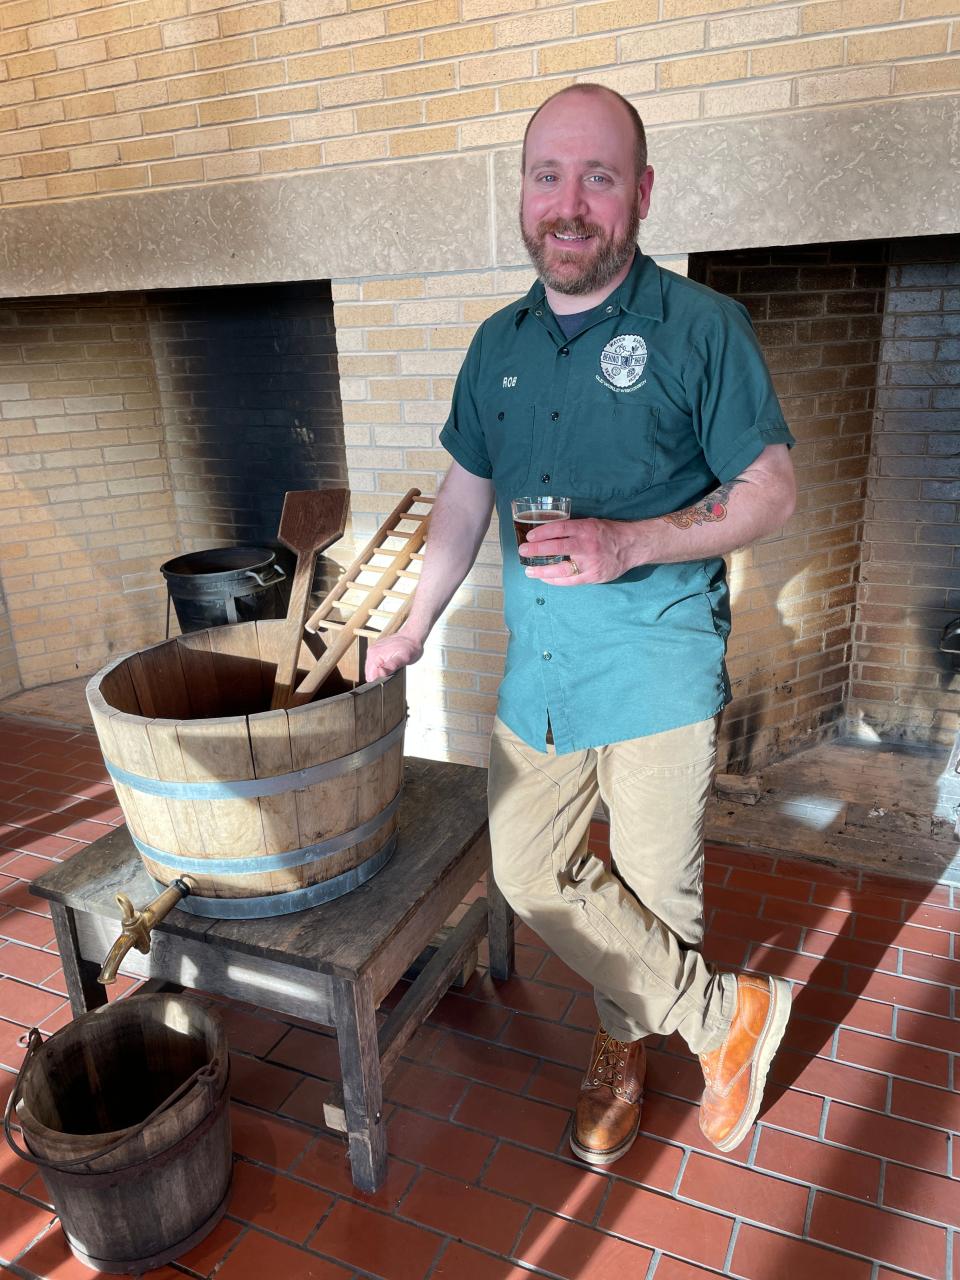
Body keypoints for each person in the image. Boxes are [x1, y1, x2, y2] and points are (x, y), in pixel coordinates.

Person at [365, 83, 797, 1165]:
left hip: (656, 667)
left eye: (598, 177)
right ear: (522, 192)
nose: (569, 203)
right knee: (527, 866)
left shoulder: (703, 327)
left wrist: (632, 542)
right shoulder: (494, 345)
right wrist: (413, 626)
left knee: (654, 891)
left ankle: (623, 1046)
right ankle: (722, 1017)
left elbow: (773, 488)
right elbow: (465, 495)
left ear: (641, 194)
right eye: (547, 175)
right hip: (541, 675)